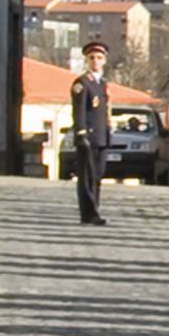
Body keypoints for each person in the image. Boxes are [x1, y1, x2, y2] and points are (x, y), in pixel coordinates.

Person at [67, 41, 114, 224]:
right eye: (92, 58)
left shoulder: (102, 83)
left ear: (105, 61)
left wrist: (109, 131)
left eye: (99, 58)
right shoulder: (82, 83)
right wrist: (81, 133)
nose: (95, 61)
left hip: (101, 136)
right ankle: (89, 214)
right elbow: (78, 110)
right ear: (87, 60)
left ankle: (95, 208)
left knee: (97, 175)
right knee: (86, 176)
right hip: (88, 136)